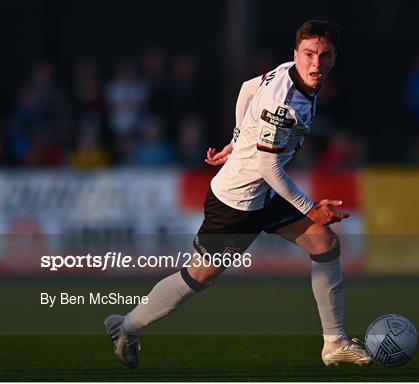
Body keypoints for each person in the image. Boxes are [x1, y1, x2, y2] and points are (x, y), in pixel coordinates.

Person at [104, 20, 372, 369]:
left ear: (335, 57)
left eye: (324, 56)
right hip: (237, 202)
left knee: (325, 245)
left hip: (263, 193)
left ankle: (334, 343)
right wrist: (311, 208)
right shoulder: (285, 104)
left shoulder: (291, 72)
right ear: (296, 53)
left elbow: (247, 88)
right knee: (199, 278)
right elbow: (268, 168)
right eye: (308, 55)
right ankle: (124, 326)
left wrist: (236, 139)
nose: (315, 64)